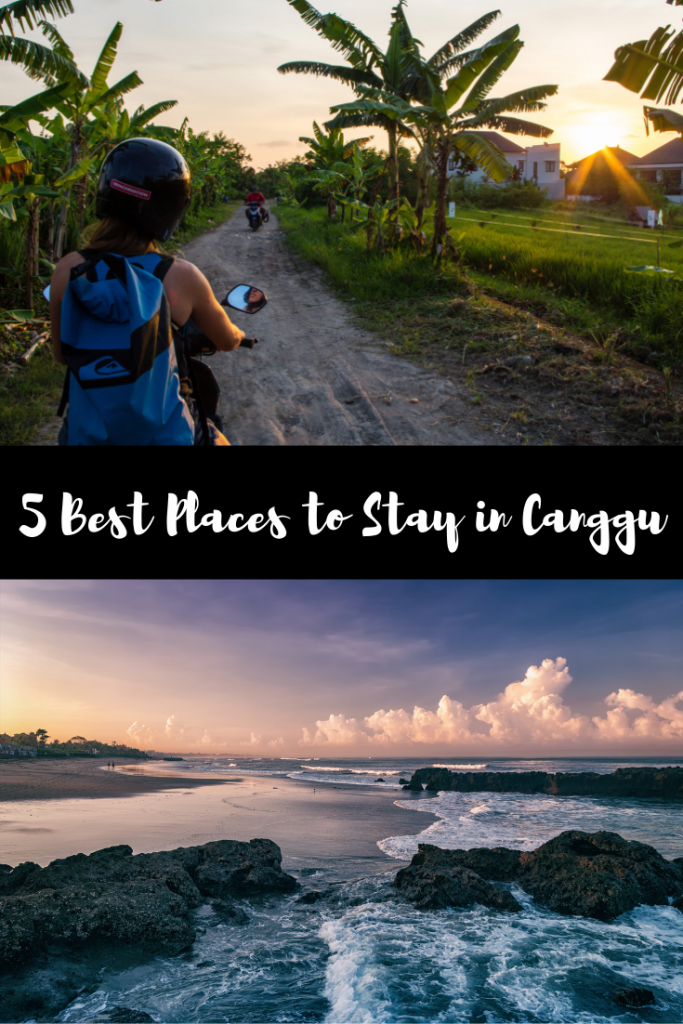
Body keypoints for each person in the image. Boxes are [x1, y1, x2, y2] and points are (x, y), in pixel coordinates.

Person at [49, 137, 245, 445]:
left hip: (86, 435)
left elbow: (61, 355)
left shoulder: (69, 270)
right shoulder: (181, 275)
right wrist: (239, 335)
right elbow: (226, 339)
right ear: (171, 208)